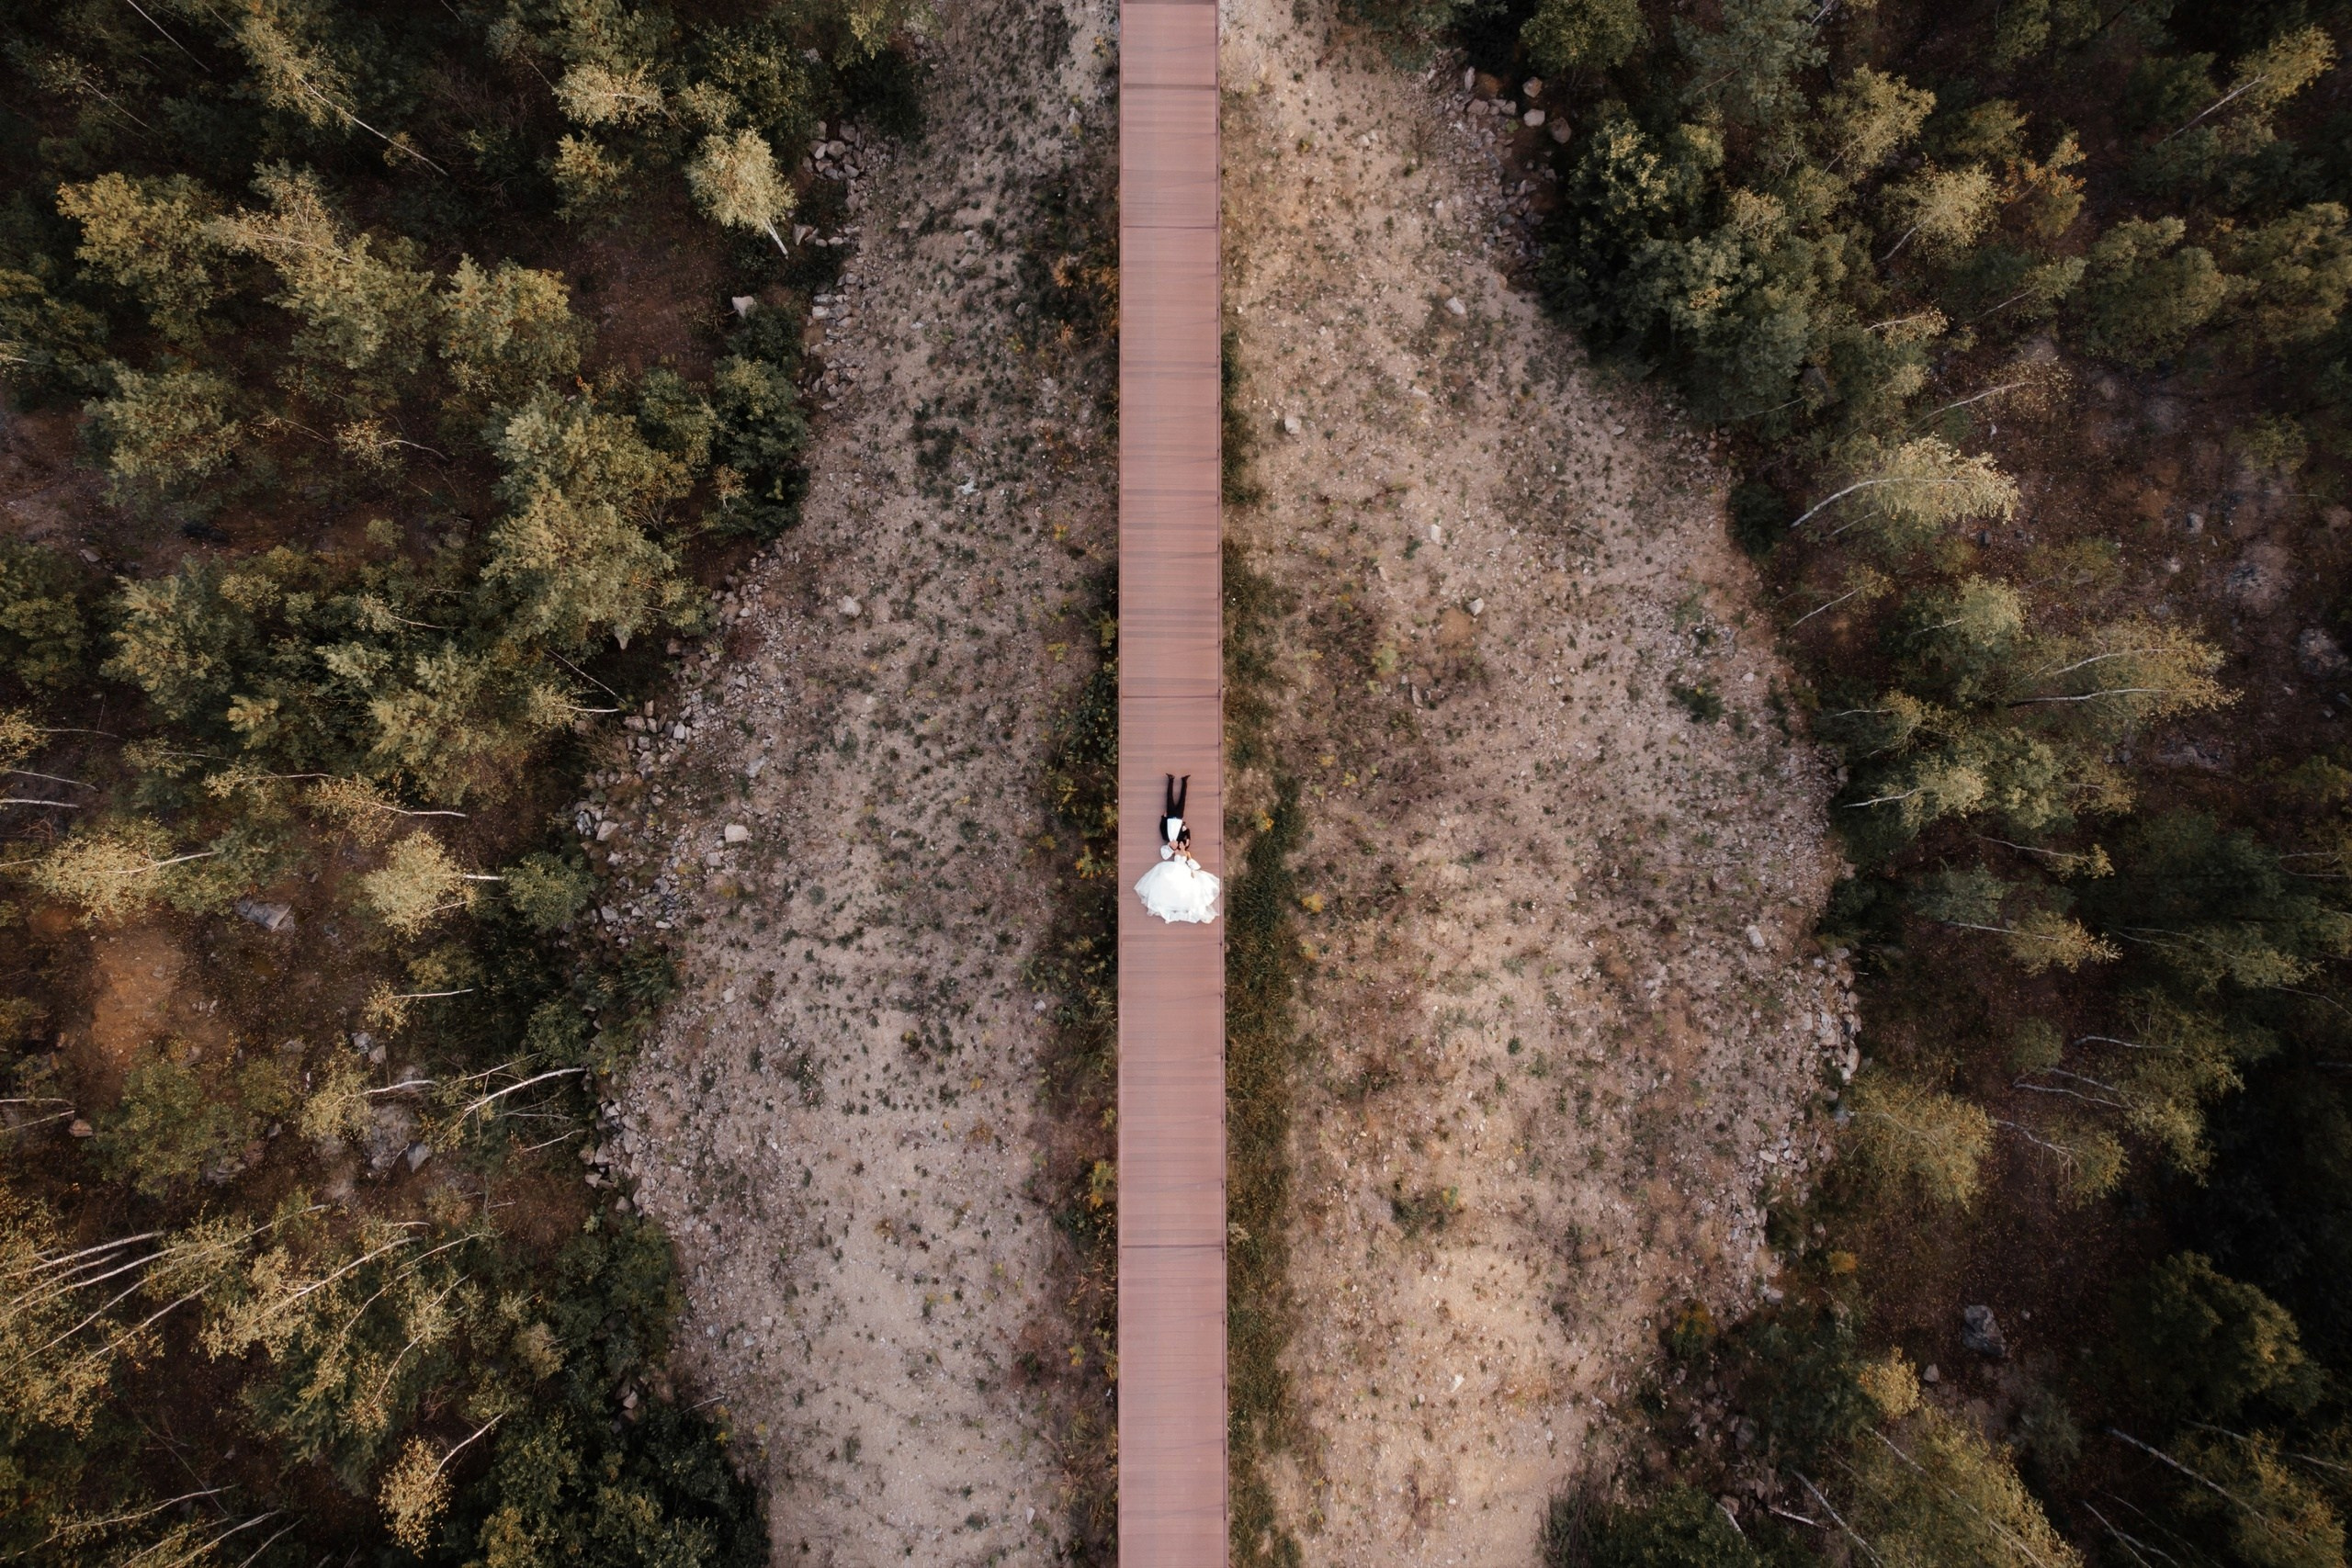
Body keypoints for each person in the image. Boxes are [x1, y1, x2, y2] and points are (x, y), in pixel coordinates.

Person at [1136, 773, 1220, 923]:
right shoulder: (1174, 842)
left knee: (1177, 801)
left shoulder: (1181, 849)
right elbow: (1167, 849)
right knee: (1175, 801)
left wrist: (1178, 847)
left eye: (1182, 844)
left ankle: (1180, 781)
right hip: (1175, 820)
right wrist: (1165, 821)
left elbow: (1193, 863)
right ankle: (1173, 780)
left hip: (1178, 864)